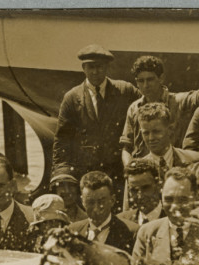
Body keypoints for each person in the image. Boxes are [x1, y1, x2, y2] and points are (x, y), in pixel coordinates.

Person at [53, 45, 139, 190]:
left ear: (106, 67)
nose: (95, 72)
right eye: (90, 67)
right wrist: (61, 175)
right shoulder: (72, 98)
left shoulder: (125, 90)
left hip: (119, 172)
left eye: (99, 67)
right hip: (86, 174)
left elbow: (146, 112)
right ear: (83, 68)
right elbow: (62, 141)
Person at [123, 54, 199, 150]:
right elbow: (127, 147)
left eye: (150, 79)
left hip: (173, 162)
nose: (146, 85)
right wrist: (129, 164)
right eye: (141, 81)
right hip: (141, 163)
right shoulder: (134, 108)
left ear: (161, 78)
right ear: (136, 82)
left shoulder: (179, 101)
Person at [130, 166, 196, 265]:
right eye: (168, 199)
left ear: (194, 197)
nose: (175, 207)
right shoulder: (147, 233)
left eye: (182, 200)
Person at [120, 101, 199, 179]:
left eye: (156, 132)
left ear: (170, 130)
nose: (151, 138)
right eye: (146, 133)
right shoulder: (138, 172)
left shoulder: (194, 160)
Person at [70, 171, 139, 253]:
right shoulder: (72, 231)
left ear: (112, 200)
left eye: (101, 202)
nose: (96, 208)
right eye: (90, 202)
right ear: (82, 202)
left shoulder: (131, 232)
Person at [120, 158, 163, 226]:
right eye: (134, 190)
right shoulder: (122, 222)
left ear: (159, 186)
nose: (140, 196)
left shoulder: (172, 219)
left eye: (145, 188)